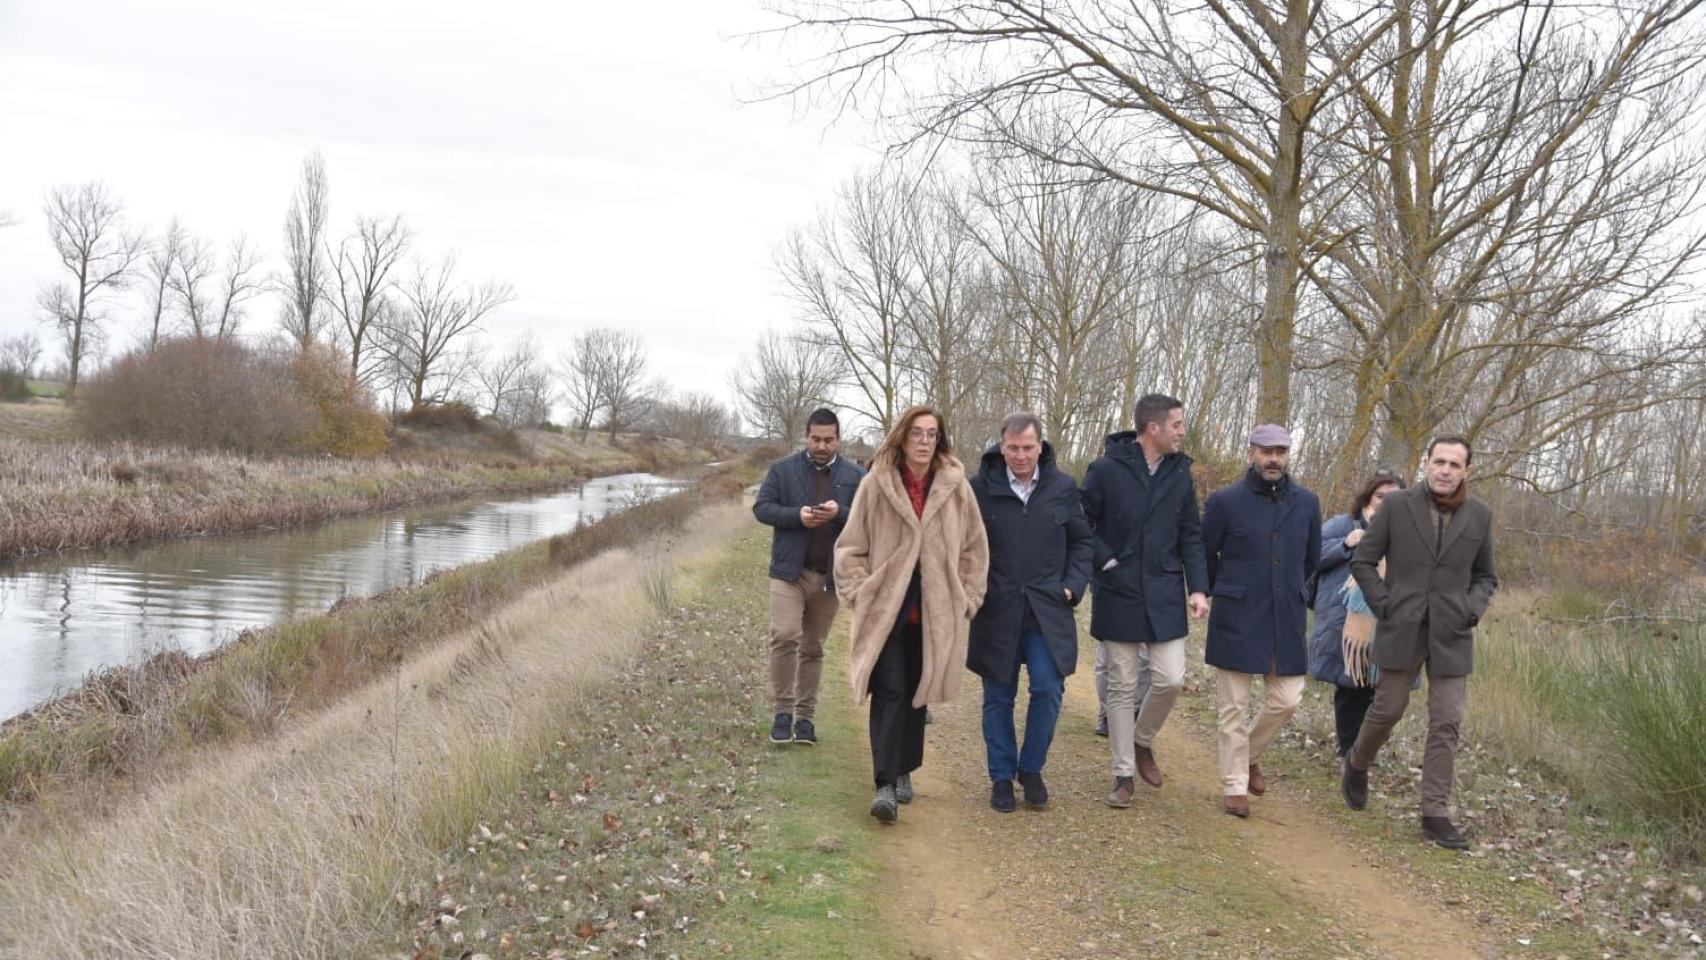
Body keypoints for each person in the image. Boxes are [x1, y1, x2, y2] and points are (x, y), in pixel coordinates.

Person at [1341, 436, 1499, 850]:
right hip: (1401, 625)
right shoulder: (1397, 506)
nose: (1446, 470)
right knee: (1388, 708)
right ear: (1426, 463)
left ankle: (1434, 813)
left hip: (1452, 633)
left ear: (1467, 470)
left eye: (1455, 464)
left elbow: (1486, 576)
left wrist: (1471, 609)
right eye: (1439, 461)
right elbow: (1362, 560)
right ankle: (1357, 762)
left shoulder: (1480, 516)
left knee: (1447, 720)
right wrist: (1384, 604)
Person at [835, 403, 989, 822]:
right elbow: (850, 546)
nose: (924, 441)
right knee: (890, 688)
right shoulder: (877, 482)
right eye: (917, 433)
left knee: (918, 690)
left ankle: (905, 768)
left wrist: (967, 595)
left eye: (931, 434)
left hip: (935, 607)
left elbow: (975, 547)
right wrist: (860, 591)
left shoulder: (956, 486)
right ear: (902, 436)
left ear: (940, 439)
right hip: (887, 606)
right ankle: (884, 783)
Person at [1081, 394, 1210, 809]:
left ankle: (1142, 740)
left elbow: (1191, 534)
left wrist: (1198, 588)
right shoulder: (1105, 469)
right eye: (1177, 424)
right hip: (1118, 589)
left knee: (1170, 678)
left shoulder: (1180, 474)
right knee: (1121, 685)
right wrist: (1106, 560)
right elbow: (1081, 522)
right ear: (1153, 428)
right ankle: (1122, 775)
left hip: (1165, 591)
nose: (1182, 431)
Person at [967, 413, 1093, 813]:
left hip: (1047, 609)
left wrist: (1072, 585)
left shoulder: (1063, 488)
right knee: (998, 696)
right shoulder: (979, 489)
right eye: (1013, 448)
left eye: (1028, 448)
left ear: (1041, 447)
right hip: (997, 609)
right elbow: (964, 545)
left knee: (1048, 688)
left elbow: (1082, 543)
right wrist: (972, 588)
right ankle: (1001, 777)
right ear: (1001, 446)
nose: (1020, 456)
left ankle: (1032, 768)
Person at [1201, 425, 1322, 817]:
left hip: (1285, 616)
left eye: (1280, 452)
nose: (1273, 459)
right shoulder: (1225, 502)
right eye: (1266, 451)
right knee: (1233, 707)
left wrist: (1297, 593)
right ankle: (1234, 785)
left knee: (1287, 700)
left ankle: (1248, 755)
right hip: (1236, 615)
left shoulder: (1307, 503)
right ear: (1251, 452)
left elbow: (1312, 560)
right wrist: (1214, 592)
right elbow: (1205, 555)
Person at [753, 408, 867, 745]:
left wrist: (839, 513)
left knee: (813, 647)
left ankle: (805, 719)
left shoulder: (856, 476)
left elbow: (869, 521)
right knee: (785, 635)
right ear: (806, 437)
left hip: (830, 577)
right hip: (789, 572)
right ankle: (782, 713)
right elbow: (762, 508)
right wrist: (796, 516)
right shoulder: (783, 469)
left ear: (838, 439)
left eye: (828, 440)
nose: (821, 445)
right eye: (815, 439)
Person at [1308, 470, 1404, 756]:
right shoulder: (1342, 524)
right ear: (1368, 497)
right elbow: (1311, 555)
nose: (1385, 503)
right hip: (1345, 622)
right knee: (1351, 688)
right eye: (1380, 496)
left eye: (1394, 498)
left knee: (1385, 693)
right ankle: (1349, 751)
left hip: (1391, 621)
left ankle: (1365, 749)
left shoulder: (1409, 532)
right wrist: (1346, 544)